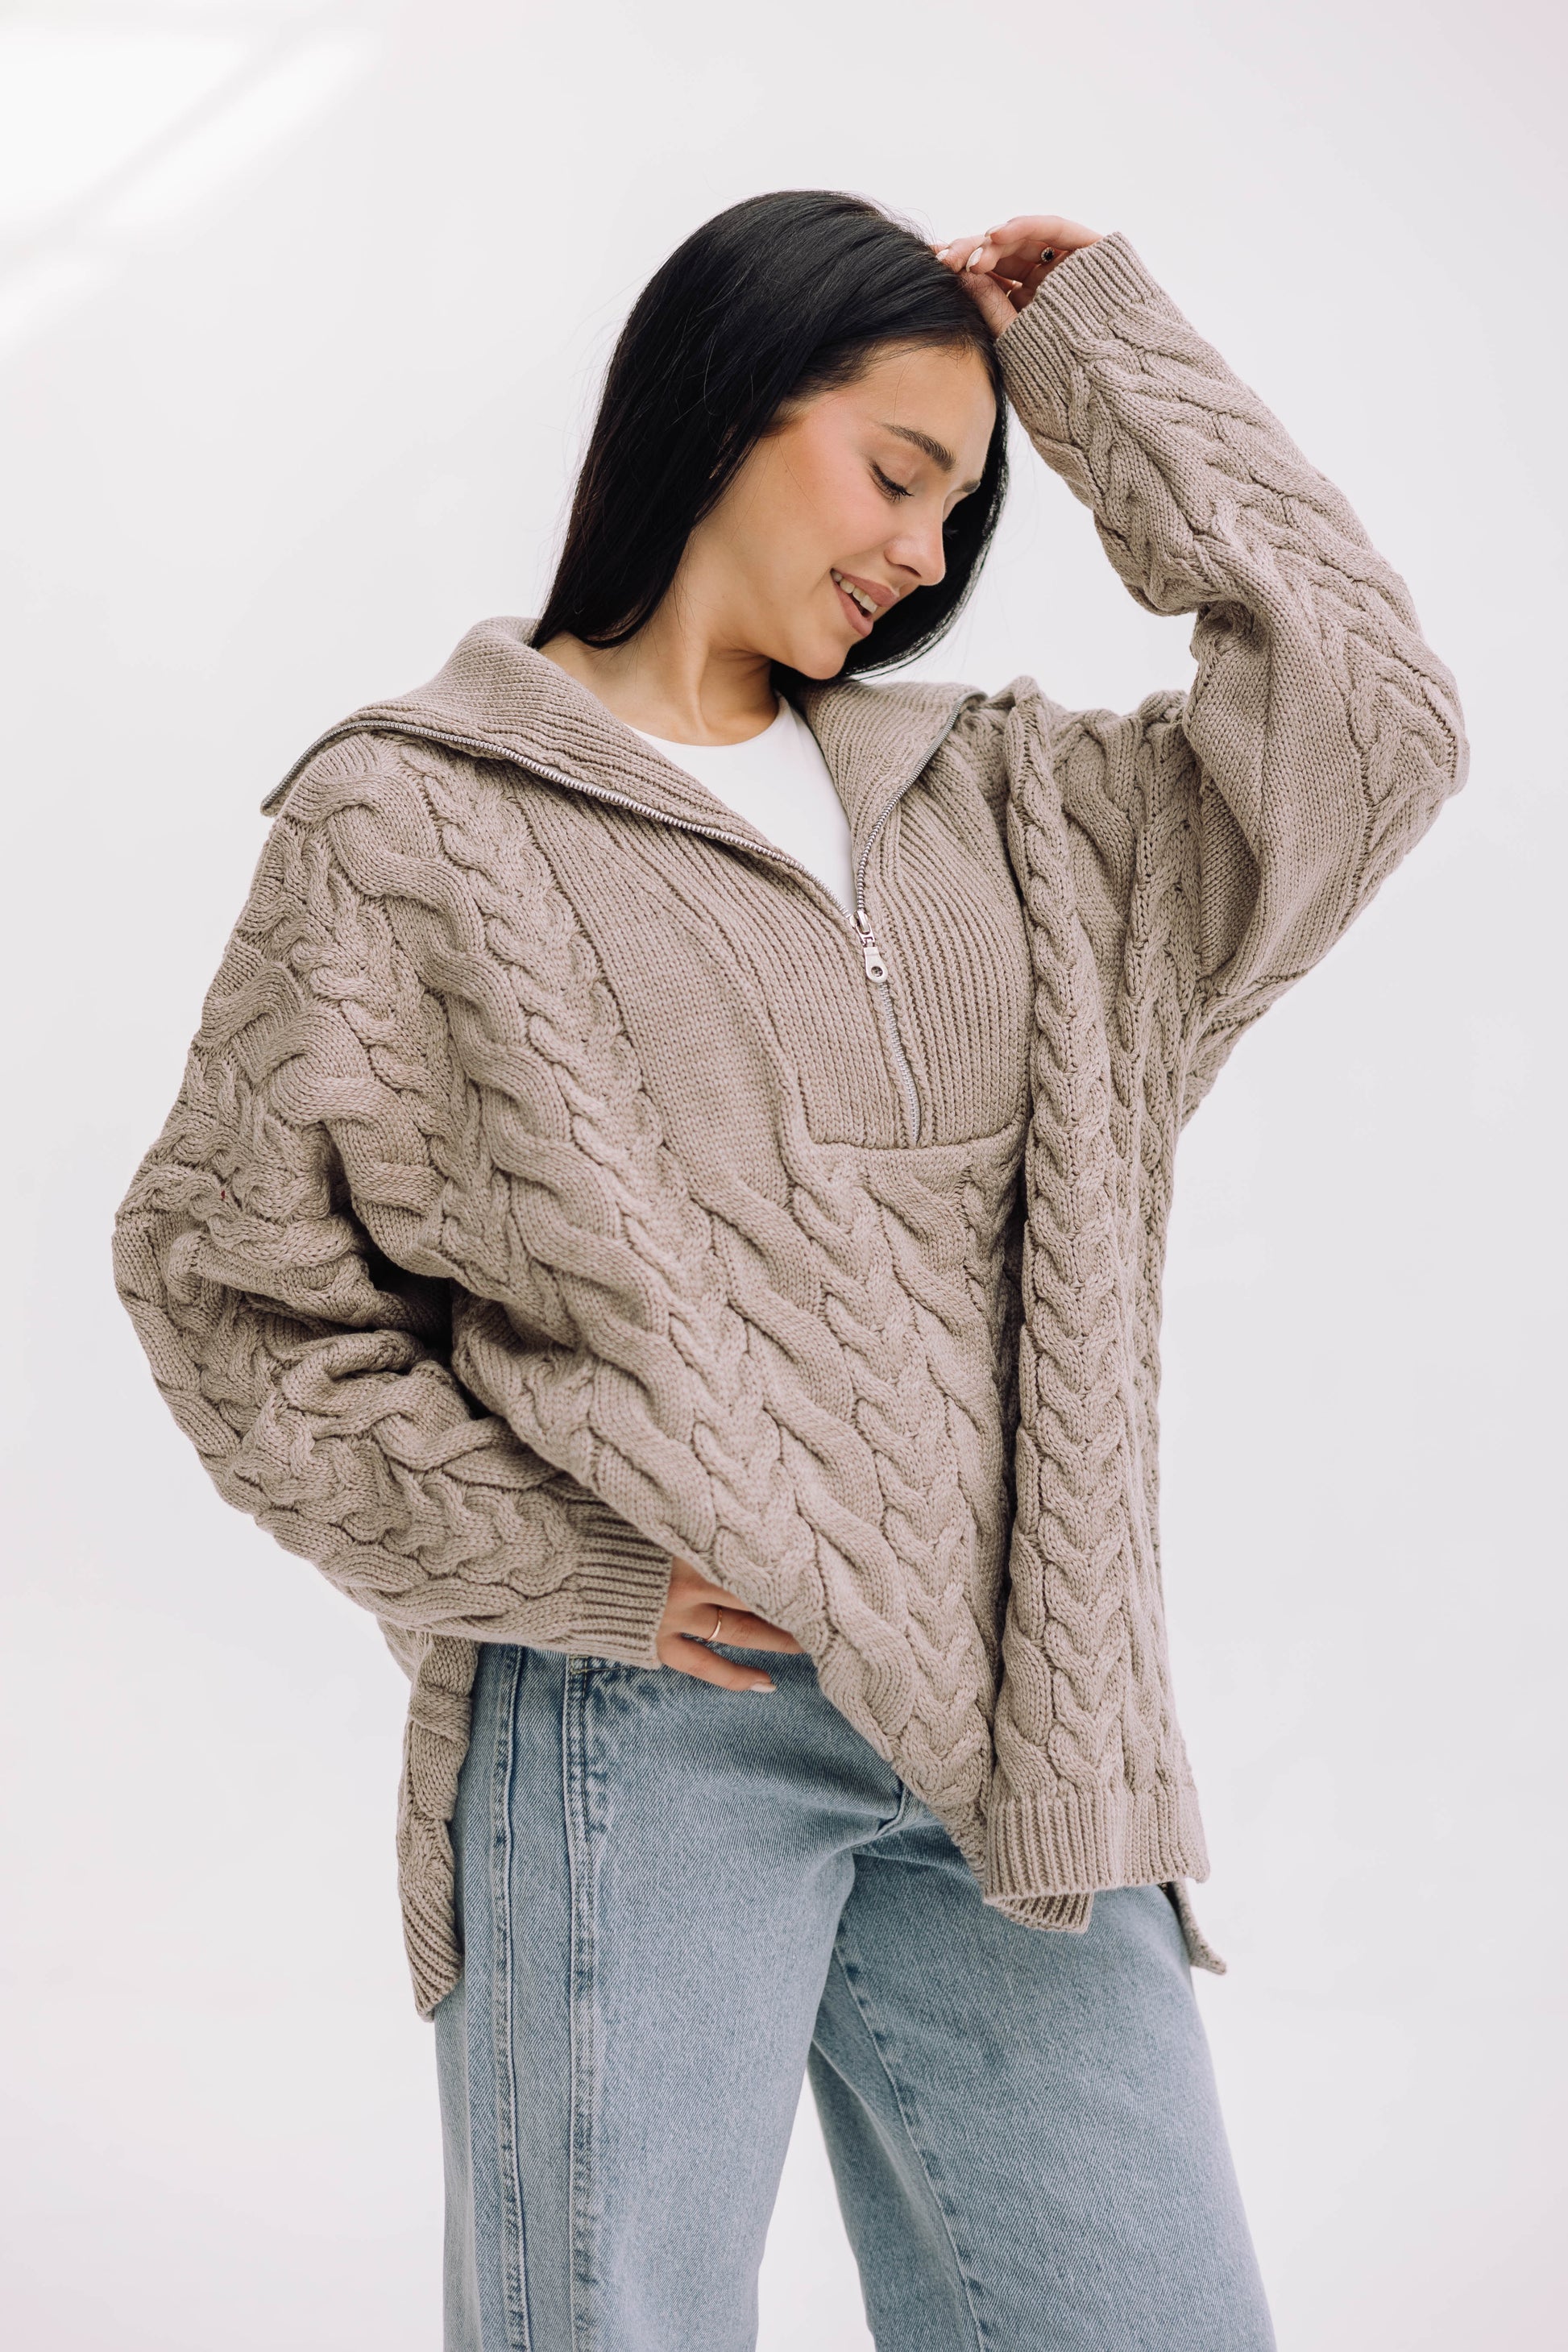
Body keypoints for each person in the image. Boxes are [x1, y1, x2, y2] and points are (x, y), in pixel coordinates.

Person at [112, 190, 1466, 2350]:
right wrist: (561, 1568)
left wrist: (1098, 362)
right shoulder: (412, 823)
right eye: (895, 473)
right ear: (727, 403)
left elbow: (1372, 727)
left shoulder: (1018, 809)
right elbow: (228, 1285)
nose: (922, 553)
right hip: (651, 1719)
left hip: (1029, 1743)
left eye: (959, 509)